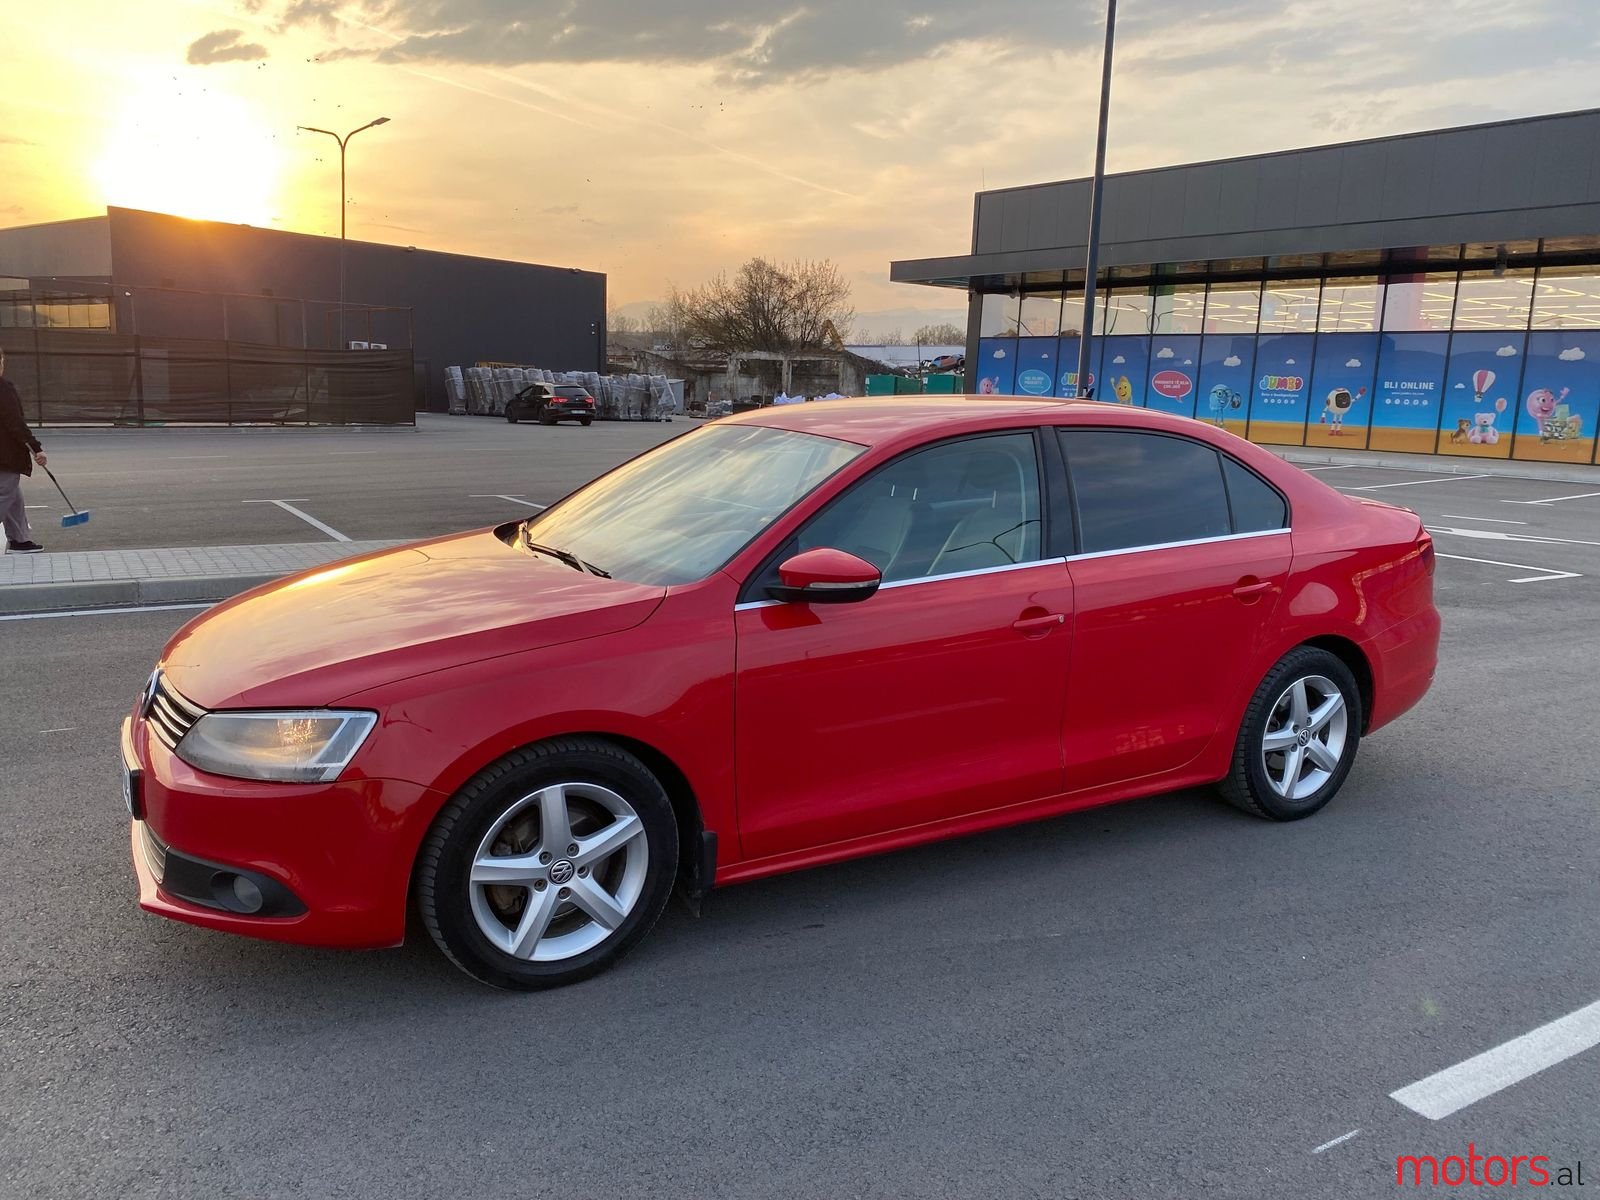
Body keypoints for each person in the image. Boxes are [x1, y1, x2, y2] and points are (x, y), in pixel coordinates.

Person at [0, 348, 47, 553]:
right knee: (4, 494)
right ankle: (19, 539)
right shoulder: (3, 388)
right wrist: (36, 448)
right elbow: (14, 422)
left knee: (13, 498)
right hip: (5, 454)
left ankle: (20, 539)